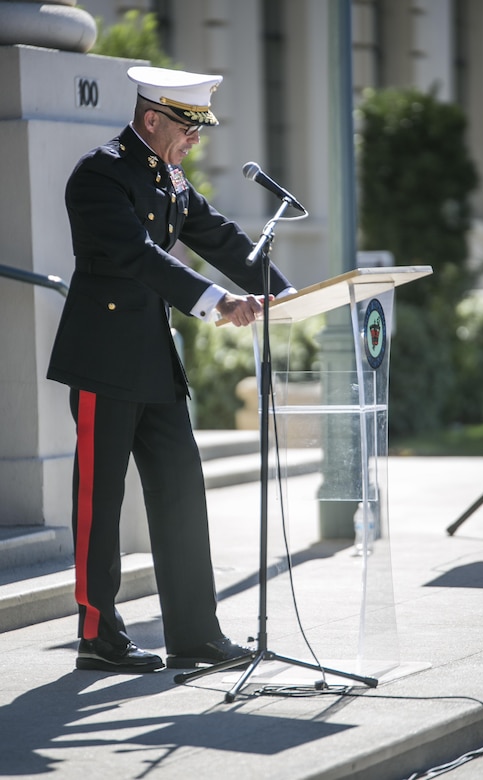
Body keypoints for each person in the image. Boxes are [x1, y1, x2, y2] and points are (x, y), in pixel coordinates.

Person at [47, 66, 295, 673]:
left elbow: (223, 237)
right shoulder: (100, 173)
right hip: (104, 360)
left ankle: (195, 636)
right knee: (99, 501)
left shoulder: (170, 177)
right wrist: (218, 302)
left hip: (153, 362)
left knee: (182, 492)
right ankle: (97, 637)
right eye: (188, 127)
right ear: (152, 118)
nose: (196, 140)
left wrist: (288, 297)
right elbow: (139, 255)